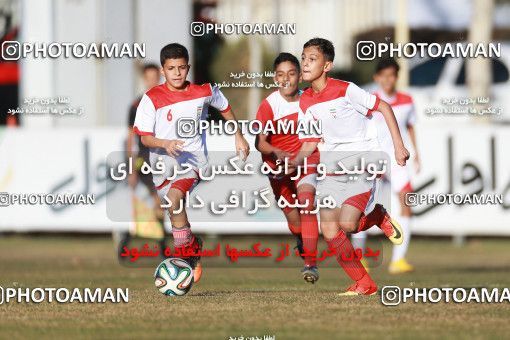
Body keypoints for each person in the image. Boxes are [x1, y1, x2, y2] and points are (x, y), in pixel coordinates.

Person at [291, 38, 410, 295]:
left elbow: (384, 107)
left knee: (347, 224)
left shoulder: (346, 89)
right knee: (330, 228)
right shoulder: (305, 101)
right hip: (333, 166)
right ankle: (364, 283)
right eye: (303, 58)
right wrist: (292, 163)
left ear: (327, 66)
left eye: (312, 59)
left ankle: (378, 215)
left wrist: (398, 146)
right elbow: (310, 142)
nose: (305, 63)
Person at [133, 43, 250, 282]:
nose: (177, 73)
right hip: (162, 166)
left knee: (175, 201)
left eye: (181, 67)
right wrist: (165, 144)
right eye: (171, 68)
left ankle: (183, 263)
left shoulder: (204, 91)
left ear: (188, 67)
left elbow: (224, 107)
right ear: (163, 71)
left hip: (193, 162)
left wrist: (238, 135)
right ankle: (192, 249)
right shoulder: (151, 98)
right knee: (174, 213)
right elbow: (144, 137)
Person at [255, 52, 320, 283]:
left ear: (300, 76)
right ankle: (303, 241)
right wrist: (277, 153)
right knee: (294, 222)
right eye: (281, 75)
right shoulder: (269, 105)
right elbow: (260, 143)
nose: (286, 79)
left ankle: (311, 263)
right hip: (277, 169)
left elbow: (315, 137)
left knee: (307, 203)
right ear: (275, 78)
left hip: (304, 162)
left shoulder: (310, 101)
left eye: (291, 74)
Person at [352, 58, 420, 274]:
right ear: (376, 78)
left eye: (392, 75)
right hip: (373, 159)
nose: (388, 79)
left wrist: (417, 155)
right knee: (361, 209)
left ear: (396, 77)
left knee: (407, 201)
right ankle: (359, 258)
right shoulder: (368, 100)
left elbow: (410, 127)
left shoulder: (407, 100)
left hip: (397, 159)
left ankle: (398, 260)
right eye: (384, 75)